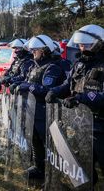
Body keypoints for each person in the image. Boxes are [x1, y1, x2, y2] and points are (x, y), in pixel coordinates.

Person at [45, 24, 104, 184]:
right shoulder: (79, 64)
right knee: (83, 165)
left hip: (100, 126)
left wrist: (80, 98)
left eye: (85, 44)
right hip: (81, 123)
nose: (81, 47)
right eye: (80, 44)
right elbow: (67, 84)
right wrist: (54, 91)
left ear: (99, 44)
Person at [11, 35, 66, 179]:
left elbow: (46, 89)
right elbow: (26, 80)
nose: (33, 52)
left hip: (47, 111)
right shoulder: (35, 66)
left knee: (49, 143)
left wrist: (29, 86)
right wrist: (17, 84)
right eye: (32, 50)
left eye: (36, 50)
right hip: (33, 110)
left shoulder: (52, 67)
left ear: (45, 50)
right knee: (35, 139)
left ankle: (53, 171)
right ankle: (38, 167)